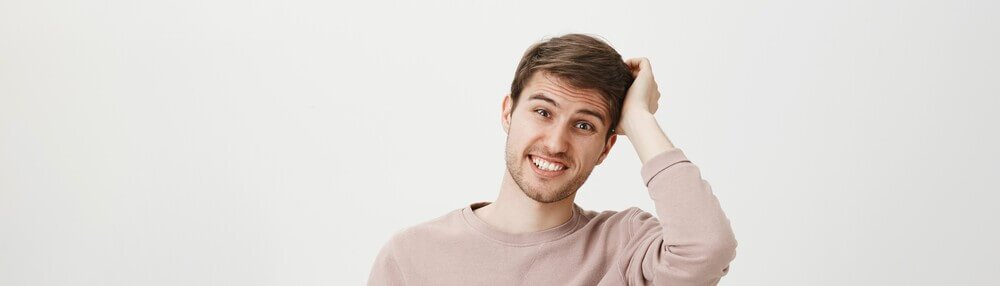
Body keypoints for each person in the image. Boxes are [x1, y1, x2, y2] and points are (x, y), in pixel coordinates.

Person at [368, 33, 737, 285]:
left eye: (583, 125)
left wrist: (640, 118)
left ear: (606, 148)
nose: (556, 143)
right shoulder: (412, 255)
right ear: (508, 112)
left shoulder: (625, 247)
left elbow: (707, 248)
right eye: (543, 112)